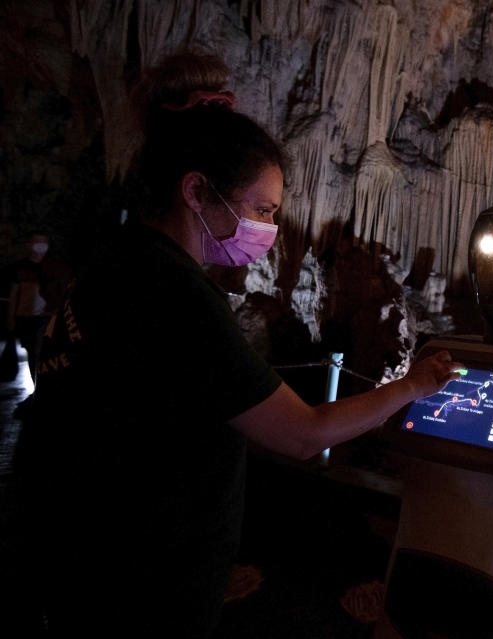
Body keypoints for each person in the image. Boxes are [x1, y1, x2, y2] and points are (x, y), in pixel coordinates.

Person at [10, 52, 461, 638]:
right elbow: (304, 433)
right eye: (260, 210)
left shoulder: (114, 263)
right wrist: (414, 386)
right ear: (196, 190)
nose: (268, 232)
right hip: (138, 595)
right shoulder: (174, 294)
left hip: (80, 569)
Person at [5, 232, 72, 386]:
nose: (40, 245)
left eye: (44, 242)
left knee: (41, 353)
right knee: (33, 354)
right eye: (37, 242)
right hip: (26, 319)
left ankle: (41, 387)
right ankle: (36, 385)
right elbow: (14, 295)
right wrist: (11, 319)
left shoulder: (54, 267)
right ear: (29, 244)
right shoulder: (20, 268)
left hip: (47, 317)